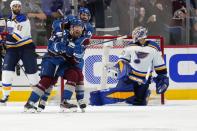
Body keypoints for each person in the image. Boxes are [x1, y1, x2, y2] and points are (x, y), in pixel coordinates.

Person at [90, 26, 169, 106]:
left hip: (144, 79)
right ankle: (97, 98)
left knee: (139, 102)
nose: (134, 37)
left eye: (136, 35)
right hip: (129, 78)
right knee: (119, 93)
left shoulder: (153, 47)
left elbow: (160, 66)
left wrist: (163, 77)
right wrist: (121, 71)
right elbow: (121, 61)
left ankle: (143, 95)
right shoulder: (130, 46)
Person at [24, 17, 86, 112]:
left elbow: (75, 58)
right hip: (51, 59)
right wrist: (62, 47)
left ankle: (65, 102)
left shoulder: (79, 40)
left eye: (80, 27)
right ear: (71, 28)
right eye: (76, 27)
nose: (78, 29)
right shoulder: (60, 33)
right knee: (47, 81)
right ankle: (30, 103)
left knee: (74, 74)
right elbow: (52, 47)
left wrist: (76, 52)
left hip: (63, 63)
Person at [0, 0, 39, 104]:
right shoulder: (7, 20)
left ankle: (36, 95)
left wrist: (2, 38)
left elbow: (15, 37)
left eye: (18, 6)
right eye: (15, 6)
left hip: (26, 48)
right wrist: (2, 39)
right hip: (12, 49)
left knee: (32, 73)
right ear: (11, 7)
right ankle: (5, 96)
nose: (17, 8)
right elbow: (4, 34)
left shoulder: (23, 19)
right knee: (6, 72)